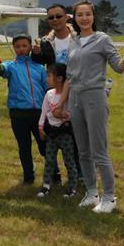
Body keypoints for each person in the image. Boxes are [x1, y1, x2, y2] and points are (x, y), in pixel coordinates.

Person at [59, 0, 124, 214]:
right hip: (75, 98)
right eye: (80, 14)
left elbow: (118, 68)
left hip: (94, 96)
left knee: (98, 150)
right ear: (75, 18)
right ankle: (92, 193)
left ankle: (109, 197)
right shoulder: (74, 42)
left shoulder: (102, 39)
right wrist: (63, 102)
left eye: (88, 14)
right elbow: (70, 75)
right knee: (83, 150)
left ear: (94, 16)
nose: (84, 18)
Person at [0, 34, 50, 186]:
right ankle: (28, 176)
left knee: (45, 146)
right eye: (18, 46)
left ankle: (53, 174)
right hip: (18, 114)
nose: (21, 49)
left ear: (30, 47)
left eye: (24, 46)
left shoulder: (40, 68)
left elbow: (47, 89)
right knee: (24, 146)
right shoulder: (11, 66)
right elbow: (0, 69)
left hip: (38, 113)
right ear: (14, 48)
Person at [31, 2, 81, 182]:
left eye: (58, 16)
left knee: (77, 134)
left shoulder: (78, 38)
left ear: (67, 17)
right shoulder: (46, 41)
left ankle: (80, 174)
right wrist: (36, 53)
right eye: (50, 17)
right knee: (54, 131)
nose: (54, 20)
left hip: (77, 91)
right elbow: (40, 61)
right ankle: (55, 174)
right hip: (56, 92)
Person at [37, 63, 79, 198]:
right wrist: (41, 127)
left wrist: (63, 115)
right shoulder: (49, 94)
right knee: (49, 160)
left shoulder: (69, 95)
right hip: (51, 135)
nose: (47, 79)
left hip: (65, 134)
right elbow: (44, 112)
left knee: (69, 161)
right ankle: (46, 186)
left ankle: (72, 188)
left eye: (49, 76)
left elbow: (72, 113)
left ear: (60, 78)